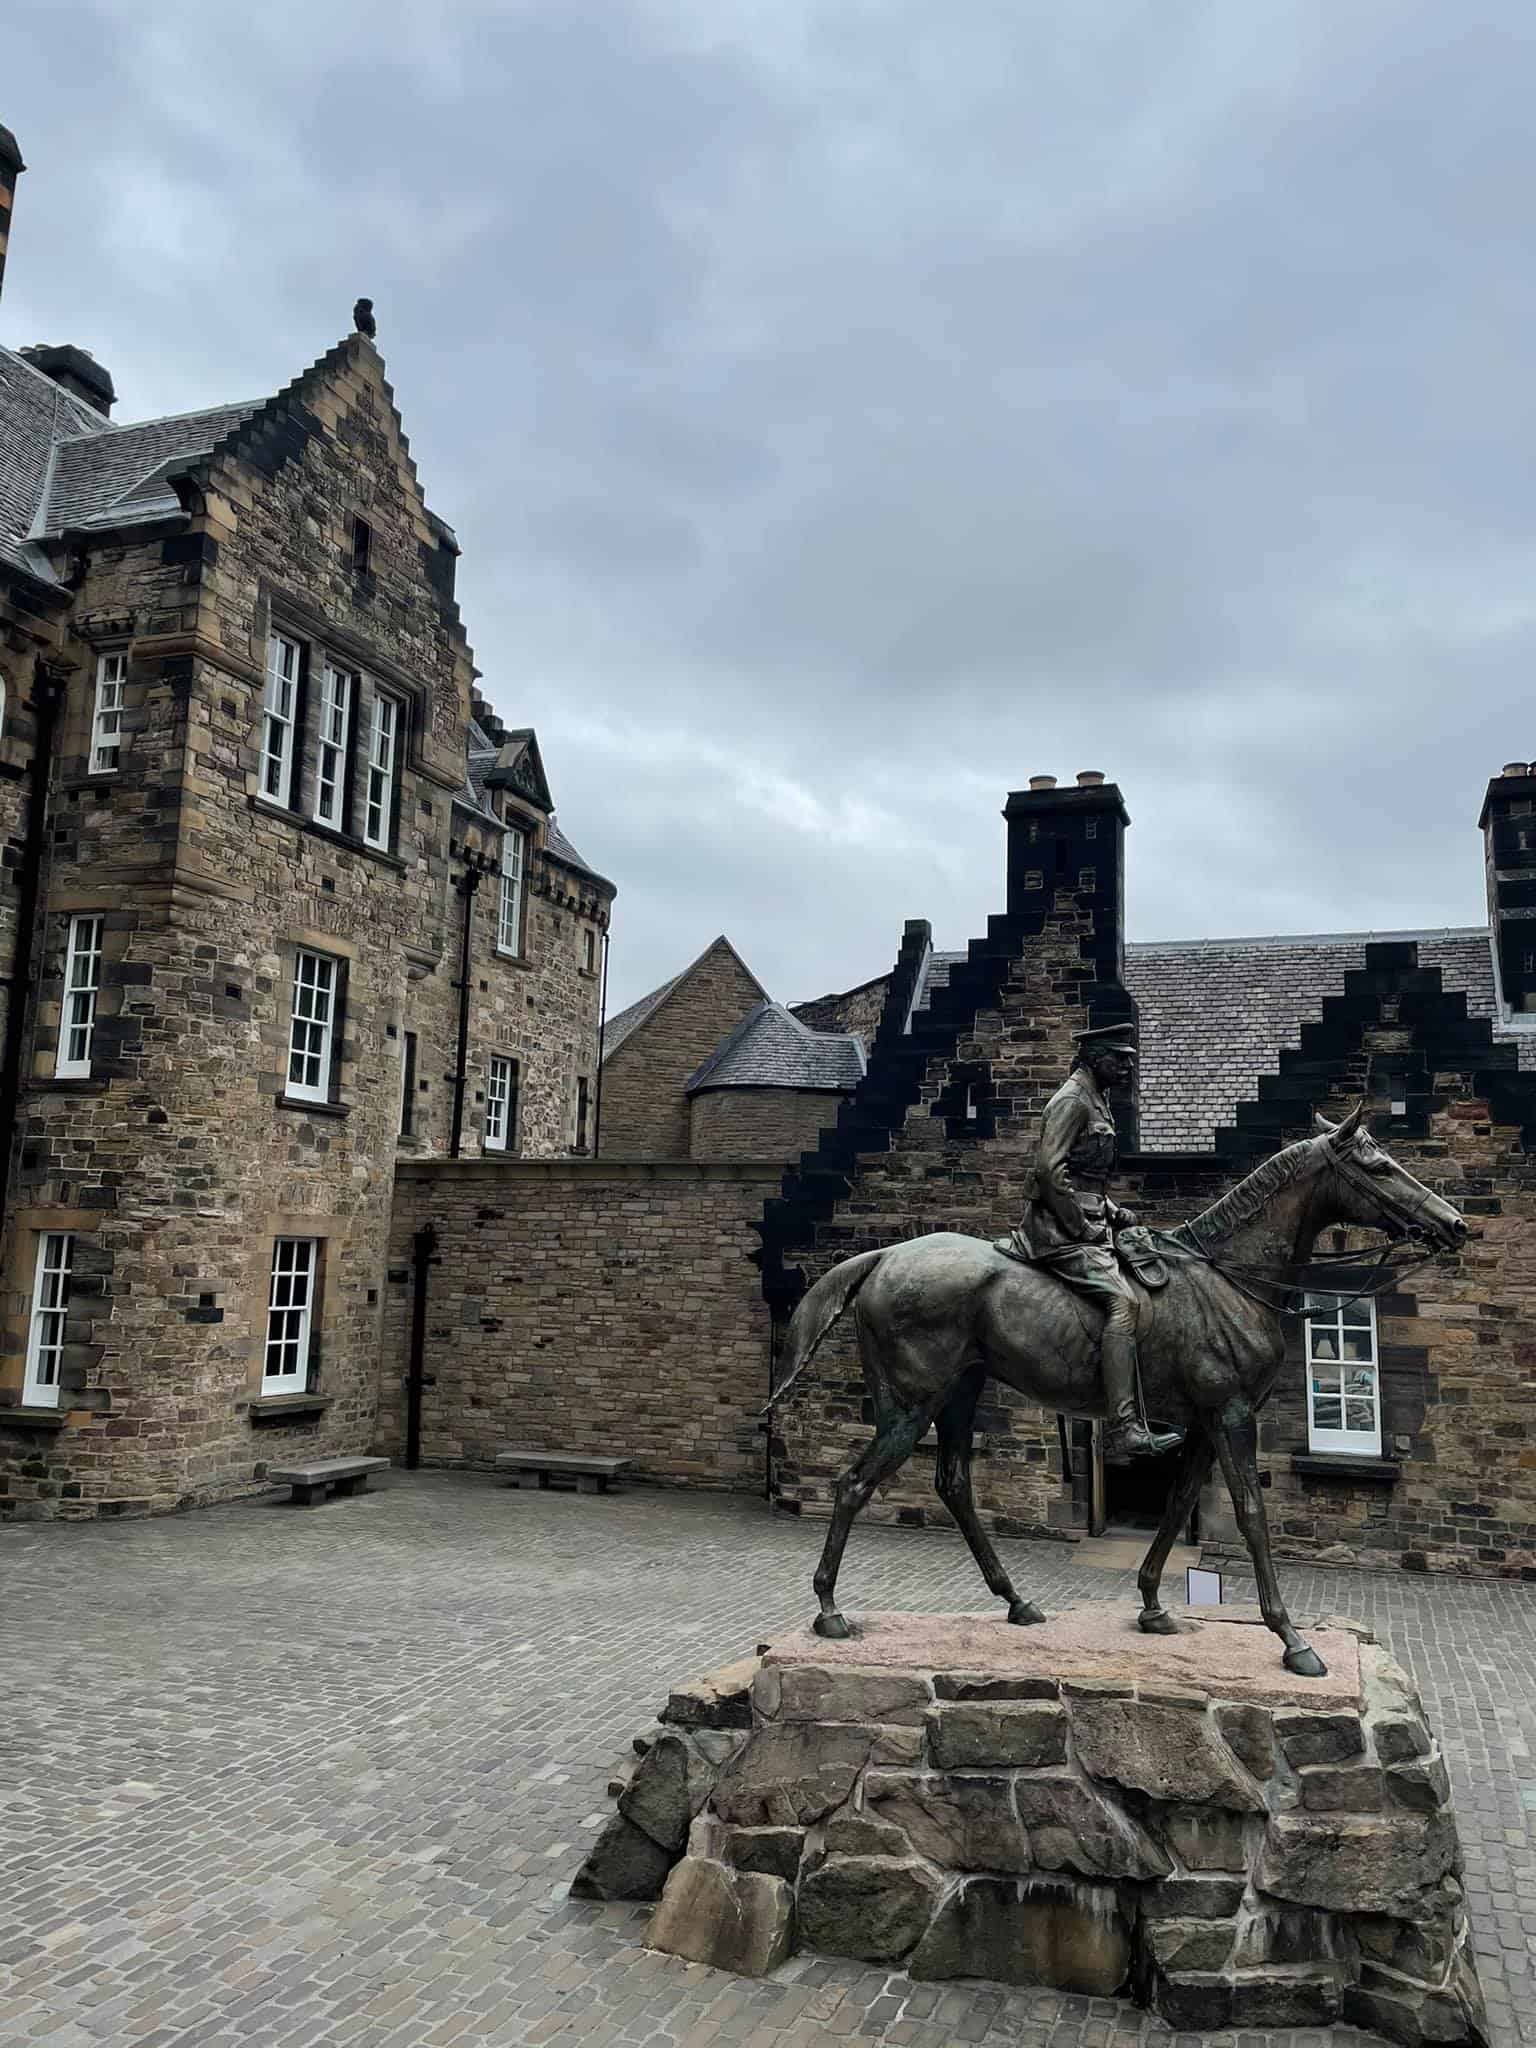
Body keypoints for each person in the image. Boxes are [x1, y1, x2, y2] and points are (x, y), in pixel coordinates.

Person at [998, 1022, 1183, 1462]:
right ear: (1095, 1056)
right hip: (1057, 1231)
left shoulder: (1097, 1098)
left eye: (1128, 1059)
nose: (1126, 1066)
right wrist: (1081, 1225)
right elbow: (1049, 1172)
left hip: (1091, 1218)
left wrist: (1112, 1209)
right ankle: (1123, 1428)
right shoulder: (1071, 1100)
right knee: (1125, 1304)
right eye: (1118, 1058)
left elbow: (1085, 1174)